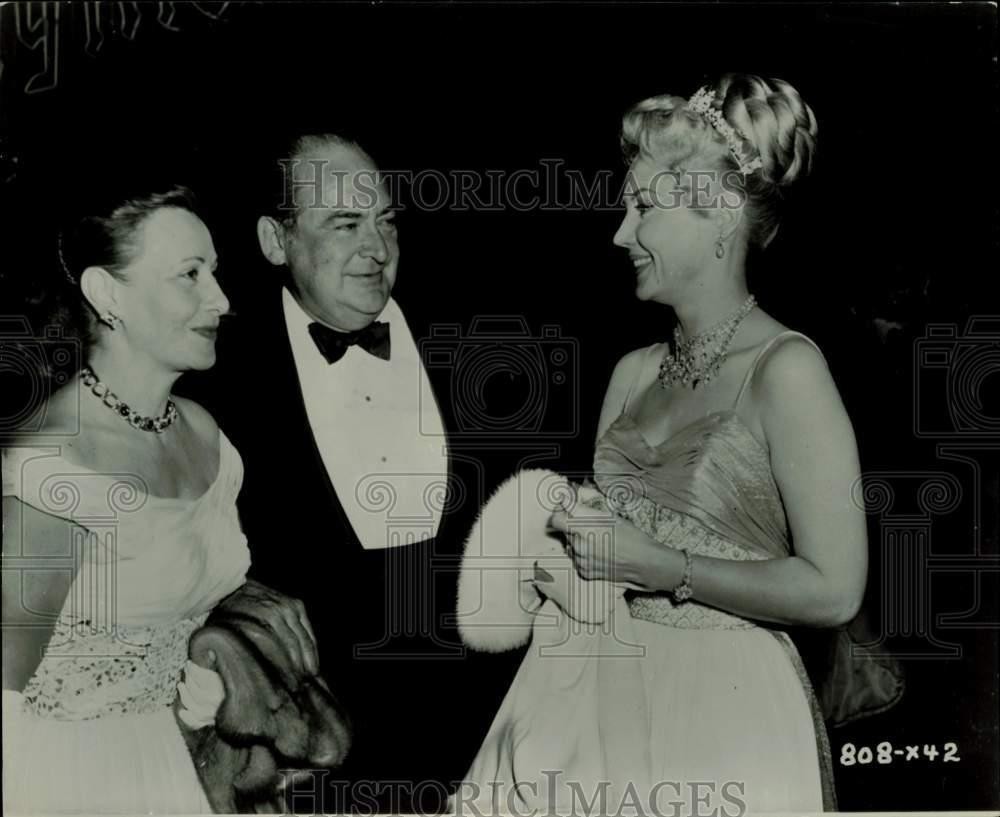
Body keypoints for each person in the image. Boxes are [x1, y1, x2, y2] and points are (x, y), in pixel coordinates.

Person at [458, 73, 865, 814]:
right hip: (597, 687)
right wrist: (558, 569)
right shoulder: (631, 373)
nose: (621, 233)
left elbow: (836, 589)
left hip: (723, 710)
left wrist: (664, 566)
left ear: (720, 213)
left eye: (643, 206)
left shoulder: (787, 370)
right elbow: (605, 563)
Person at [182, 133, 522, 813]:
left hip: (499, 745)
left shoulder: (485, 341)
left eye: (386, 221)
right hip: (324, 769)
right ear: (275, 241)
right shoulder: (216, 384)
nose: (377, 248)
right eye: (345, 224)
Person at [1, 184, 345, 814]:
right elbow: (4, 686)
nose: (221, 299)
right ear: (108, 294)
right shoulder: (56, 467)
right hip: (68, 777)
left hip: (178, 762)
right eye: (189, 275)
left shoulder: (203, 433)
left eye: (213, 271)